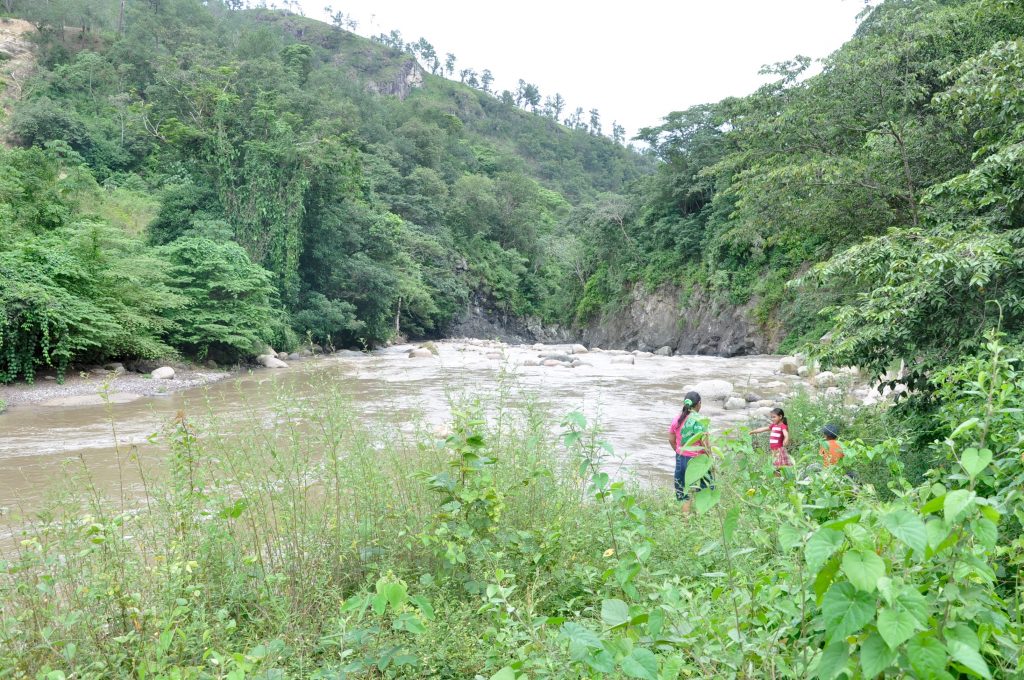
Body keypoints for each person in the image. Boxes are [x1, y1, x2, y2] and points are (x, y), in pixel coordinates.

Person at [668, 391, 711, 514]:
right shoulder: (701, 421)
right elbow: (705, 444)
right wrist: (710, 460)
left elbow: (671, 439)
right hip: (698, 460)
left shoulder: (677, 419)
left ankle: (685, 521)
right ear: (699, 404)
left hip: (681, 459)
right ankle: (700, 518)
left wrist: (679, 451)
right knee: (702, 491)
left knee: (684, 492)